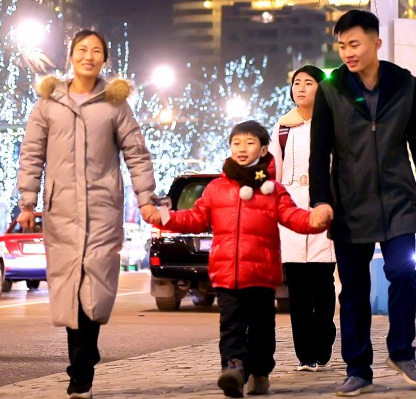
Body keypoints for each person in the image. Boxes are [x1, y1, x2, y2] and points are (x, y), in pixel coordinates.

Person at [143, 120, 333, 398]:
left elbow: (294, 217)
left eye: (249, 143)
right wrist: (165, 217)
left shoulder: (274, 190)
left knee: (261, 328)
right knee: (231, 324)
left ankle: (260, 373)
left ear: (263, 148)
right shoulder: (217, 189)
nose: (242, 149)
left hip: (261, 274)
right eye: (236, 143)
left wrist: (316, 219)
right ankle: (233, 368)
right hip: (226, 273)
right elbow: (195, 218)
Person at [16, 29, 156, 399]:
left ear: (104, 59)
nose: (89, 56)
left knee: (95, 287)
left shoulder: (115, 104)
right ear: (71, 56)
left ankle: (82, 363)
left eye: (96, 51)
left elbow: (137, 154)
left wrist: (146, 199)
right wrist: (27, 203)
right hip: (61, 210)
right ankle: (82, 367)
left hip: (102, 210)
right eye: (82, 50)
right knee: (69, 288)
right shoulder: (49, 102)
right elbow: (32, 153)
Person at [309, 9, 416, 397]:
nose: (347, 52)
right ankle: (358, 368)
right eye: (342, 46)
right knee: (353, 290)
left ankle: (402, 352)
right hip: (349, 203)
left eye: (355, 44)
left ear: (376, 43)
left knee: (403, 275)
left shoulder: (403, 83)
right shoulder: (331, 89)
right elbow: (320, 152)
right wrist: (321, 200)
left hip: (398, 199)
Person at [268, 64, 336, 373]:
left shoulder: (334, 124)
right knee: (296, 290)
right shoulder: (282, 128)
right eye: (297, 82)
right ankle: (304, 355)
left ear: (322, 89)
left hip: (324, 209)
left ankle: (323, 345)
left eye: (309, 83)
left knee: (323, 286)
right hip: (290, 213)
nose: (301, 88)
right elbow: (274, 171)